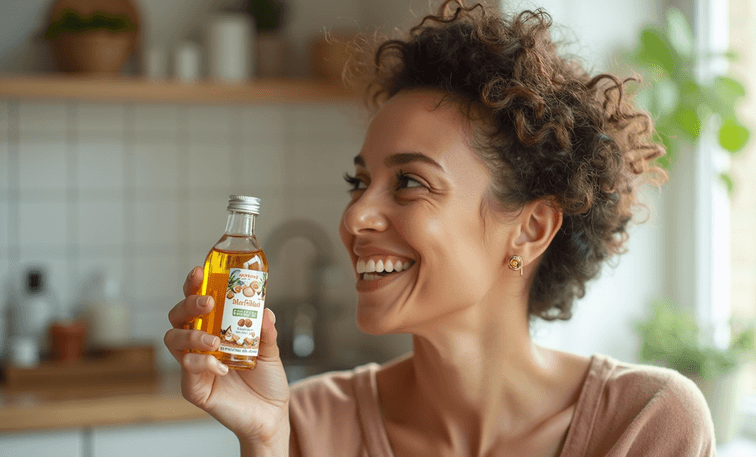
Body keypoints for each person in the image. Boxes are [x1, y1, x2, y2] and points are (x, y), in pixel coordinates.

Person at [163, 1, 716, 455]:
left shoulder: (645, 424)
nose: (355, 217)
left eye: (409, 183)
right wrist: (264, 443)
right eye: (359, 182)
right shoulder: (306, 423)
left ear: (531, 228)